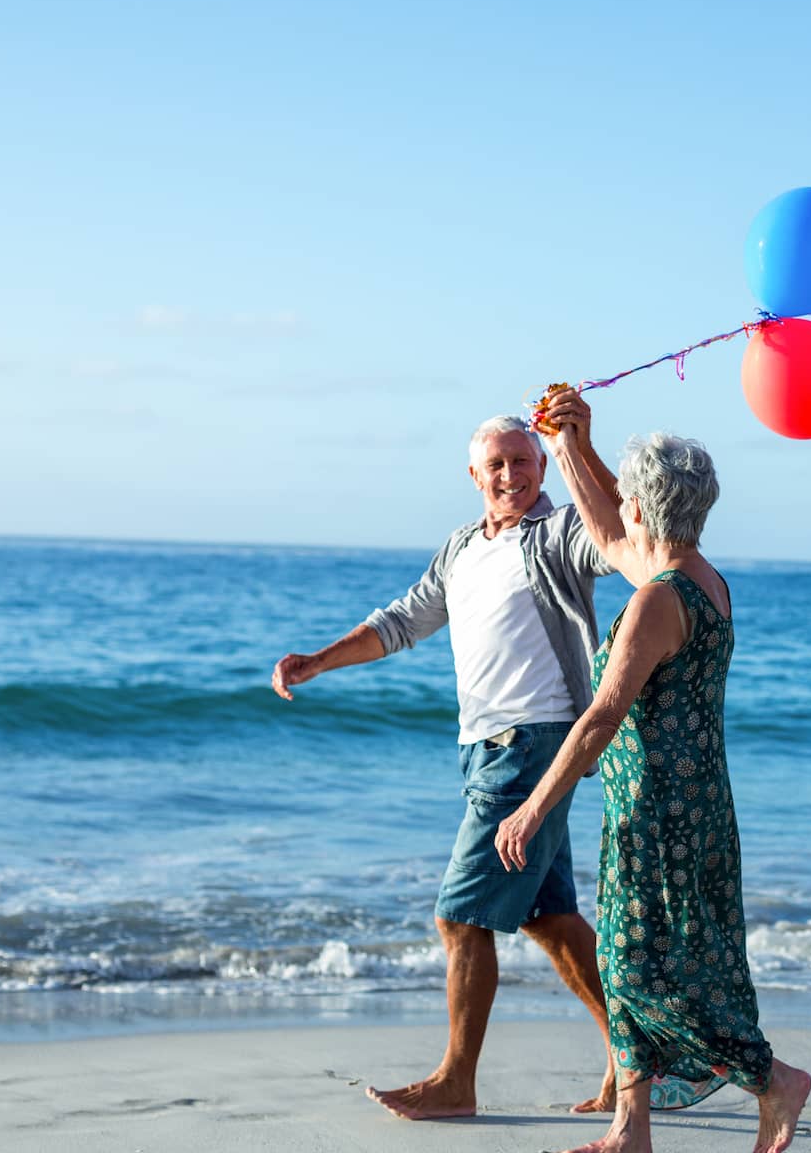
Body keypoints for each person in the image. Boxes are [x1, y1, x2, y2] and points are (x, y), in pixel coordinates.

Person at [270, 414, 617, 1120]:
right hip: (481, 748)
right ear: (473, 475)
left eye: (523, 462)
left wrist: (577, 443)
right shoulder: (462, 547)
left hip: (535, 742)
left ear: (541, 468)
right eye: (497, 464)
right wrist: (320, 660)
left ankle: (457, 1081)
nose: (511, 476)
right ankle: (637, 1058)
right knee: (551, 919)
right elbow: (401, 622)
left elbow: (615, 538)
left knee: (460, 918)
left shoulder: (558, 537)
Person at [496, 390, 811, 1153]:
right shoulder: (704, 581)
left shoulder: (655, 605)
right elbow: (613, 534)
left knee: (648, 971)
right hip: (696, 807)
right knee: (645, 959)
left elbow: (601, 719)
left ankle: (775, 1081)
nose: (621, 507)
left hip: (659, 814)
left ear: (647, 503)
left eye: (632, 495)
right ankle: (629, 1130)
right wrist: (571, 443)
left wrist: (533, 807)